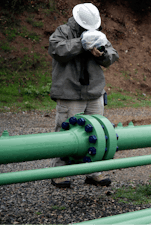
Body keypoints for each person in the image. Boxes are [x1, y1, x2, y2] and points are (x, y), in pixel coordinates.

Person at [48, 3, 119, 188]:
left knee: (97, 132)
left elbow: (112, 55)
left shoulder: (98, 34)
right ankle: (59, 172)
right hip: (69, 92)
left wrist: (100, 53)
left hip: (94, 92)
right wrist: (81, 43)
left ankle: (93, 171)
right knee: (65, 133)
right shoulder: (63, 31)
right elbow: (57, 50)